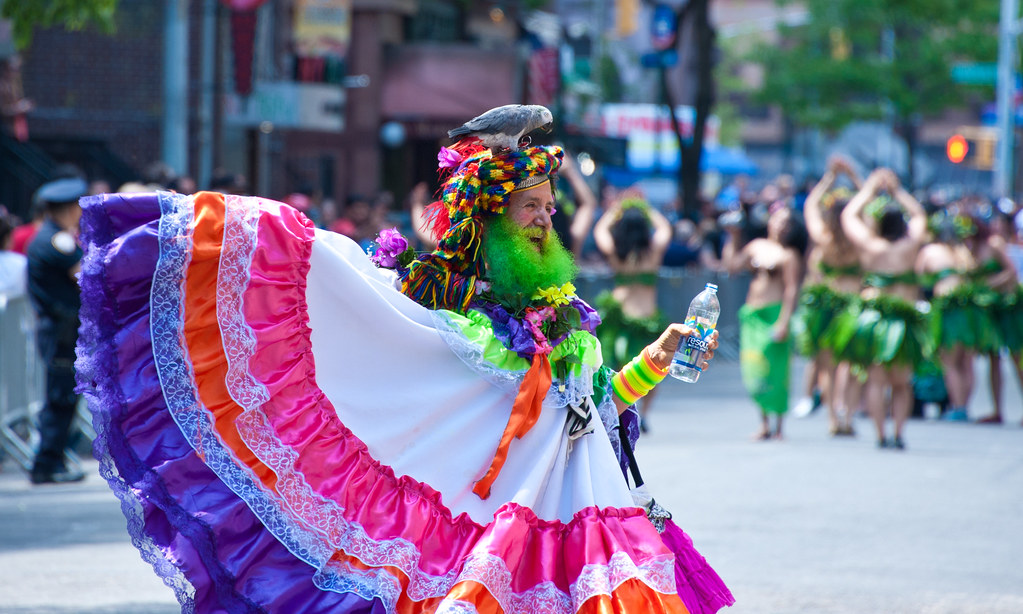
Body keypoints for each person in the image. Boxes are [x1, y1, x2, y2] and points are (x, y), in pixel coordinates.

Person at [76, 134, 734, 613]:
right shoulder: (450, 311)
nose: (545, 220)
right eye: (531, 206)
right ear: (488, 218)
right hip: (486, 535)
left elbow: (585, 411)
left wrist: (655, 359)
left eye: (549, 208)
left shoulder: (565, 313)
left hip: (583, 528)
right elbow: (383, 343)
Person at [836, 169, 929, 450]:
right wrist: (898, 191)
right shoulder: (909, 246)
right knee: (901, 382)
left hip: (874, 319)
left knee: (875, 380)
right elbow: (921, 216)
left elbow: (848, 217)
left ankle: (880, 434)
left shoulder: (870, 245)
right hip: (902, 319)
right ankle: (898, 432)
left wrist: (869, 190)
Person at [724, 203, 806, 440]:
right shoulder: (756, 246)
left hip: (775, 314)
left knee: (776, 370)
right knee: (754, 367)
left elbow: (791, 290)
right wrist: (733, 237)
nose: (780, 225)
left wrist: (784, 321)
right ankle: (763, 422)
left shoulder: (789, 255)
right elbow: (731, 266)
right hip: (754, 316)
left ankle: (778, 425)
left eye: (786, 222)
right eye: (777, 220)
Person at [592, 193, 672, 431]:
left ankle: (616, 409)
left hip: (619, 316)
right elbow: (665, 228)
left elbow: (599, 231)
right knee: (653, 365)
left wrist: (617, 208)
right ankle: (643, 414)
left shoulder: (617, 252)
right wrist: (644, 208)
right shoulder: (652, 252)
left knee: (615, 367)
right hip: (645, 317)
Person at [26, 177, 88, 484]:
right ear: (68, 208)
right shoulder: (57, 240)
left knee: (62, 395)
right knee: (60, 397)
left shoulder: (50, 237)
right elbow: (83, 274)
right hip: (60, 330)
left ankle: (53, 460)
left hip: (58, 328)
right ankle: (47, 463)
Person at [797, 156, 862, 436]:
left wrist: (830, 178)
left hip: (826, 306)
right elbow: (868, 206)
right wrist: (856, 176)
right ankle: (846, 414)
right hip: (853, 305)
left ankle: (833, 418)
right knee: (853, 364)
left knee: (828, 366)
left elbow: (811, 205)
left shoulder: (823, 236)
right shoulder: (859, 236)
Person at [915, 213, 989, 421]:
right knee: (967, 362)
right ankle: (964, 405)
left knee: (950, 362)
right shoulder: (964, 251)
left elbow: (918, 278)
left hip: (948, 311)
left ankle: (958, 407)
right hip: (971, 310)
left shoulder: (931, 251)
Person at [964, 212, 1023, 425]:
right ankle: (996, 409)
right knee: (992, 359)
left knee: (1018, 358)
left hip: (1009, 307)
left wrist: (992, 284)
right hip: (987, 311)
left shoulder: (994, 244)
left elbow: (1011, 271)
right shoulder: (968, 250)